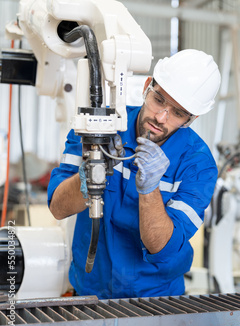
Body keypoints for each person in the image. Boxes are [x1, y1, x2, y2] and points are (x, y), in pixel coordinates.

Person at [47, 49, 221, 299]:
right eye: (159, 100)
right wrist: (89, 175)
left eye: (178, 113)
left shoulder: (198, 165)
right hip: (89, 294)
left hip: (157, 302)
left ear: (191, 119)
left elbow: (161, 247)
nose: (161, 118)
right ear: (147, 86)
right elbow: (57, 207)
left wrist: (150, 189)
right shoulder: (97, 128)